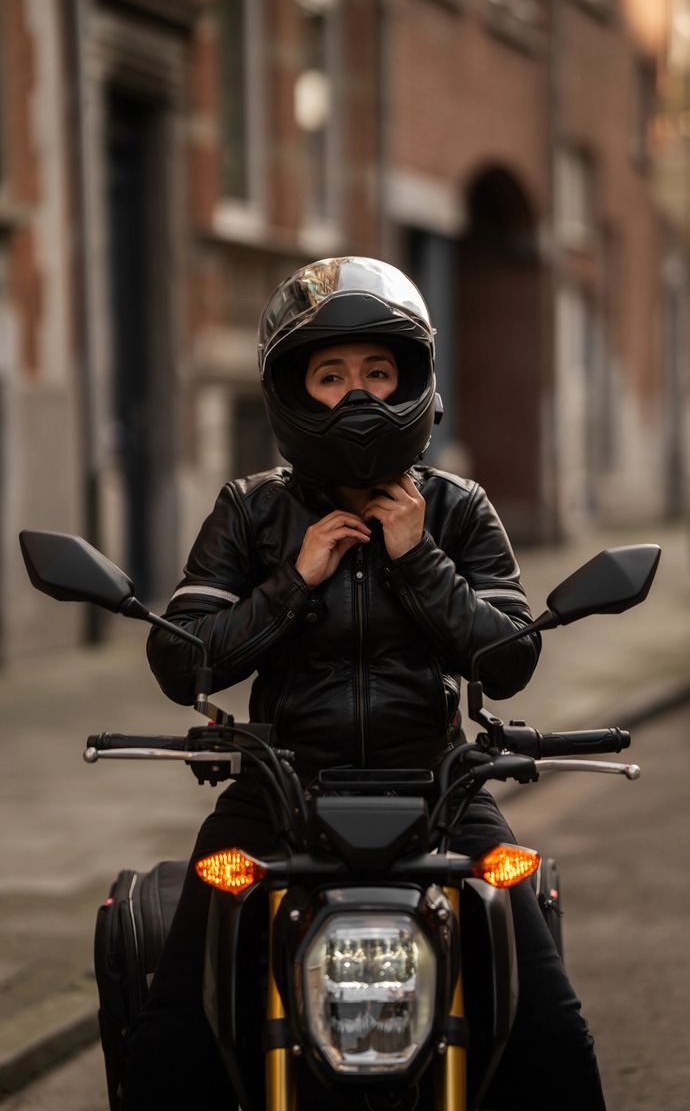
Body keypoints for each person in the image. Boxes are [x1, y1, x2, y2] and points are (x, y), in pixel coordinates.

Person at [122, 257, 606, 1109]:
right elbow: (182, 660)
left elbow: (509, 660)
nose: (358, 395)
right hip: (278, 794)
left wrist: (419, 559)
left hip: (441, 792)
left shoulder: (458, 508)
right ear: (294, 392)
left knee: (550, 1025)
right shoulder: (250, 510)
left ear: (411, 381)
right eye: (332, 375)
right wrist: (294, 581)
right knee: (173, 1032)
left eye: (378, 372)